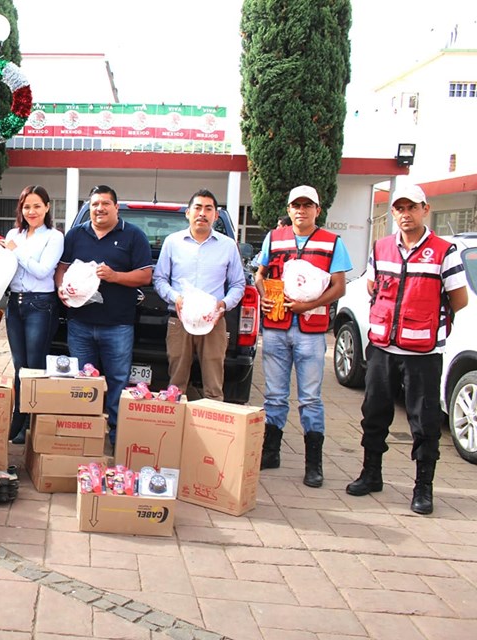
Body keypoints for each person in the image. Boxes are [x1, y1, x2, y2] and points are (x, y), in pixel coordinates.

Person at [347, 184, 468, 514]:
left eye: (411, 208)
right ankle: (371, 474)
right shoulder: (382, 246)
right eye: (399, 208)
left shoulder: (445, 251)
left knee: (425, 422)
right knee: (374, 414)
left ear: (425, 210)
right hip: (383, 348)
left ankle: (423, 488)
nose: (404, 214)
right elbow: (374, 287)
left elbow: (459, 298)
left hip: (423, 353)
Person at [256, 185, 352, 488]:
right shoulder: (274, 238)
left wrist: (308, 305)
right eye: (296, 205)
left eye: (307, 205)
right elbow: (260, 274)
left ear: (317, 210)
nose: (301, 210)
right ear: (288, 209)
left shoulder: (332, 242)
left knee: (310, 399)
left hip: (311, 328)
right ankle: (271, 453)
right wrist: (263, 294)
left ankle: (314, 464)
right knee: (274, 395)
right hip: (275, 326)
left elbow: (339, 286)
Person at [55, 185, 153, 445]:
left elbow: (145, 275)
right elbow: (61, 268)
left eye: (105, 203)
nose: (100, 208)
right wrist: (61, 289)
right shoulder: (76, 235)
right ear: (89, 206)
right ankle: (85, 435)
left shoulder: (133, 235)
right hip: (80, 324)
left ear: (116, 207)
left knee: (118, 381)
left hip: (118, 325)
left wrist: (115, 276)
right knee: (83, 383)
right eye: (95, 203)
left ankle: (117, 438)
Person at [153, 189, 245, 401]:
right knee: (176, 385)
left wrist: (223, 304)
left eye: (208, 209)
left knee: (213, 385)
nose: (202, 213)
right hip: (179, 321)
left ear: (216, 215)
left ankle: (212, 429)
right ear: (188, 213)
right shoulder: (172, 242)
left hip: (213, 323)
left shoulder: (228, 246)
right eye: (198, 207)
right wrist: (175, 297)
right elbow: (159, 279)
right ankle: (175, 430)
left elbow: (238, 284)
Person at [2, 185, 64, 444]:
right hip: (14, 304)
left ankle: (30, 420)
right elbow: (7, 268)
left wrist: (15, 250)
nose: (32, 211)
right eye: (27, 206)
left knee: (35, 366)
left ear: (47, 207)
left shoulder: (54, 237)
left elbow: (42, 271)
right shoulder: (13, 233)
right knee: (19, 366)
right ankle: (18, 416)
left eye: (37, 205)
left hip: (41, 304)